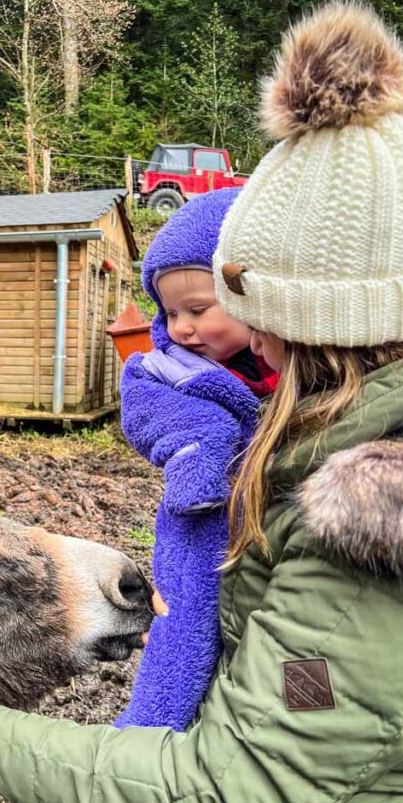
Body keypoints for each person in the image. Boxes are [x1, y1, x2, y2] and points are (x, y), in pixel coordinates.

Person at [0, 0, 403, 803]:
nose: (228, 334)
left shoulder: (370, 523)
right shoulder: (306, 440)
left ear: (324, 316)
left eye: (248, 302)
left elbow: (236, 795)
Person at [117, 187, 279, 731]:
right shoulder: (166, 367)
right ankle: (146, 734)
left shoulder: (296, 368)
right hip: (198, 524)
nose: (181, 327)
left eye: (198, 309)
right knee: (180, 627)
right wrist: (196, 445)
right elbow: (143, 410)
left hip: (267, 529)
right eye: (170, 312)